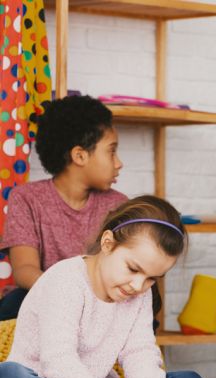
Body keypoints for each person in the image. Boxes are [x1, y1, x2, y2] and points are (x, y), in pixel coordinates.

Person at [0, 195, 206, 378]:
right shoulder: (65, 280)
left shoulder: (139, 294)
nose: (138, 286)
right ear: (108, 243)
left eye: (152, 279)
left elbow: (139, 350)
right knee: (8, 377)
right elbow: (58, 362)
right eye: (133, 269)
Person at [0, 95, 127, 320]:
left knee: (139, 307)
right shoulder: (26, 198)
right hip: (46, 295)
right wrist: (67, 295)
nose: (119, 163)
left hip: (99, 301)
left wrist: (91, 299)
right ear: (80, 155)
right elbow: (24, 270)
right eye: (111, 151)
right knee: (14, 303)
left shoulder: (118, 205)